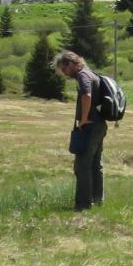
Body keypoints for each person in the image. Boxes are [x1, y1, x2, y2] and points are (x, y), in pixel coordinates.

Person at [56, 49, 106, 212]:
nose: (64, 73)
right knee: (95, 165)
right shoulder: (92, 74)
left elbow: (86, 96)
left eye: (64, 69)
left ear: (71, 64)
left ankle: (83, 205)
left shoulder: (83, 75)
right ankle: (97, 200)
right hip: (100, 125)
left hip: (90, 126)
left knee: (82, 165)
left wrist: (83, 118)